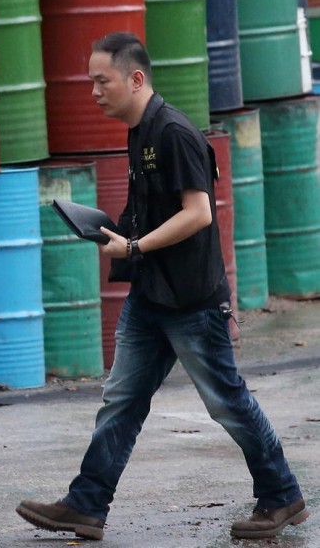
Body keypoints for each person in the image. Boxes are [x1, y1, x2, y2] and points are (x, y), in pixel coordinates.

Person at [16, 32, 308, 541]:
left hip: (193, 302)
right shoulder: (139, 131)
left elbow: (198, 213)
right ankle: (86, 505)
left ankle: (282, 496)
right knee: (121, 399)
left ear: (135, 78)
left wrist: (133, 248)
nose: (94, 92)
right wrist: (118, 231)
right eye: (91, 82)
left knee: (226, 401)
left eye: (101, 81)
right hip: (152, 296)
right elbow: (155, 212)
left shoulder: (173, 132)